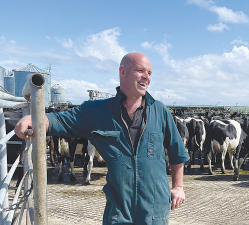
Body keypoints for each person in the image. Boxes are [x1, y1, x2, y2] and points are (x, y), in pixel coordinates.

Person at [15, 52, 190, 225]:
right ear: (123, 71)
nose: (147, 77)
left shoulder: (160, 111)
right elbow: (60, 120)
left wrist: (178, 186)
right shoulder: (97, 111)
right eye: (141, 71)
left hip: (154, 209)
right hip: (119, 210)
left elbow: (177, 151)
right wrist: (35, 118)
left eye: (150, 73)